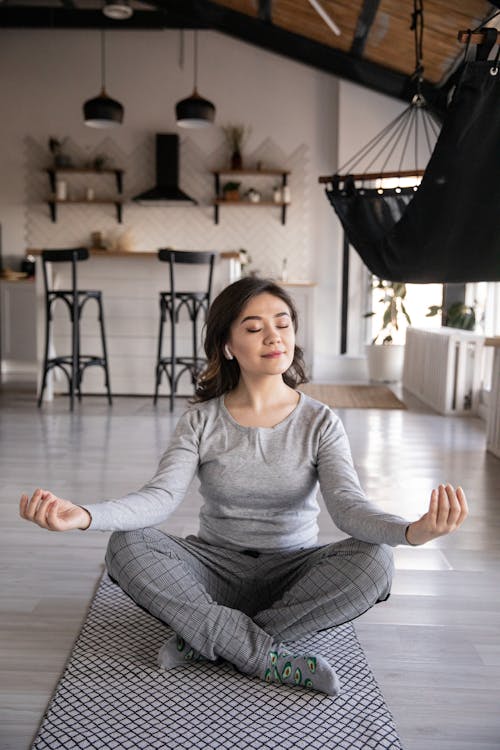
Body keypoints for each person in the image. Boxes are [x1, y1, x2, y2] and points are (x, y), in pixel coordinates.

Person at [20, 276, 468, 697]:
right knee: (126, 546)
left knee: (375, 559)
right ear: (228, 346)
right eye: (254, 328)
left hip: (293, 572)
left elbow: (347, 507)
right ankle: (266, 655)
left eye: (283, 324)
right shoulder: (200, 420)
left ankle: (206, 638)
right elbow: (159, 499)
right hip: (212, 569)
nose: (274, 337)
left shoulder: (320, 422)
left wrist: (410, 531)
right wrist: (85, 516)